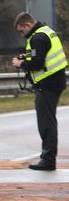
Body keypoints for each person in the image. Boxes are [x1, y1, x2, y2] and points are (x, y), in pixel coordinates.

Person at [11, 12, 67, 170]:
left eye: (22, 31)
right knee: (48, 122)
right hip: (54, 82)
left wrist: (20, 64)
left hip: (47, 84)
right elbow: (41, 57)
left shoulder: (37, 38)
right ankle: (48, 158)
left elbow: (37, 63)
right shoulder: (46, 32)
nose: (22, 35)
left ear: (27, 25)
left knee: (46, 124)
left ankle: (48, 160)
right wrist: (26, 58)